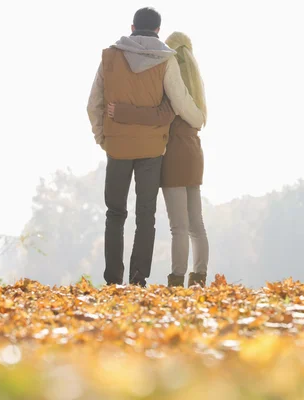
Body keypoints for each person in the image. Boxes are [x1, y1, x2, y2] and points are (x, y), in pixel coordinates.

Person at [86, 8, 205, 288]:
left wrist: (102, 137)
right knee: (145, 215)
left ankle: (113, 280)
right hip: (152, 149)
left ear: (132, 26)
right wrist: (198, 118)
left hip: (117, 147)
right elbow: (179, 100)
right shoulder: (166, 60)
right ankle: (138, 279)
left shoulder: (110, 56)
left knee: (115, 214)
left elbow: (94, 104)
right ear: (158, 31)